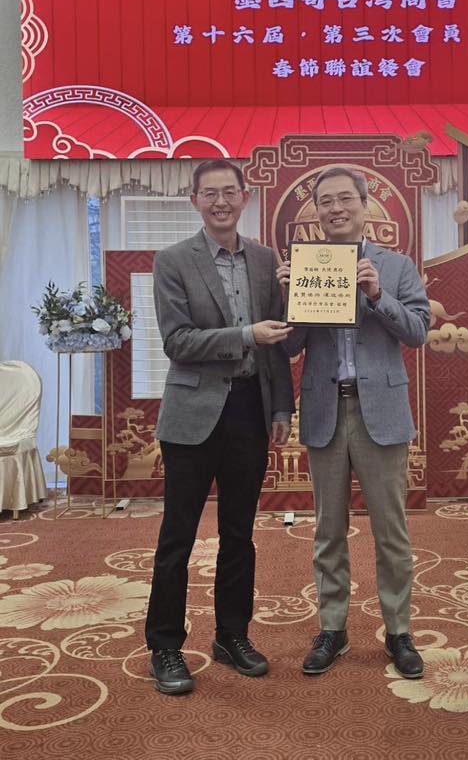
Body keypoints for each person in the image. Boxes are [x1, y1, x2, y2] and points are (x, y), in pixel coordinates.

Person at [145, 158, 294, 695]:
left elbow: (278, 339)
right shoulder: (172, 261)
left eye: (229, 191)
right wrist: (246, 334)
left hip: (250, 409)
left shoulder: (266, 259)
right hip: (192, 414)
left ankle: (232, 636)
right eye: (209, 193)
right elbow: (177, 342)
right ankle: (164, 645)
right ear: (194, 201)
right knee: (177, 536)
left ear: (245, 196)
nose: (220, 202)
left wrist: (282, 409)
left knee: (239, 533)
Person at [277, 166, 430, 679]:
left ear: (366, 206)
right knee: (327, 530)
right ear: (316, 212)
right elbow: (291, 347)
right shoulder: (305, 266)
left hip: (380, 411)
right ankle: (333, 628)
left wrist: (378, 296)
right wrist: (290, 299)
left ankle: (399, 631)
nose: (336, 208)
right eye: (326, 201)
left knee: (391, 531)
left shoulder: (397, 266)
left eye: (346, 199)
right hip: (325, 408)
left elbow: (417, 332)